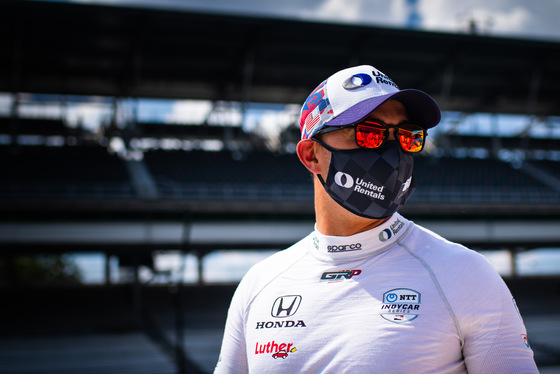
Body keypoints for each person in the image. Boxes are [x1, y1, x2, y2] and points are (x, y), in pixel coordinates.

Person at [214, 65, 538, 373]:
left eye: (408, 135)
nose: (392, 151)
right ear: (311, 155)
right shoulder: (259, 285)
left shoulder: (465, 274)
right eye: (369, 133)